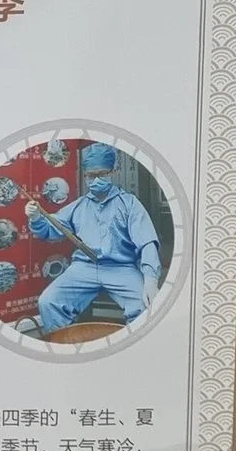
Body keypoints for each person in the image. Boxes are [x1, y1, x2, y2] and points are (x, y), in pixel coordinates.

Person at [26, 142, 163, 333]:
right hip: (84, 268)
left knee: (146, 307)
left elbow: (147, 242)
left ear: (112, 171)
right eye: (91, 176)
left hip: (120, 268)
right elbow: (51, 229)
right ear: (85, 176)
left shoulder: (129, 204)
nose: (96, 180)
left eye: (102, 174)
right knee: (49, 302)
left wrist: (150, 279)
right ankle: (65, 348)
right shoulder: (79, 206)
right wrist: (36, 218)